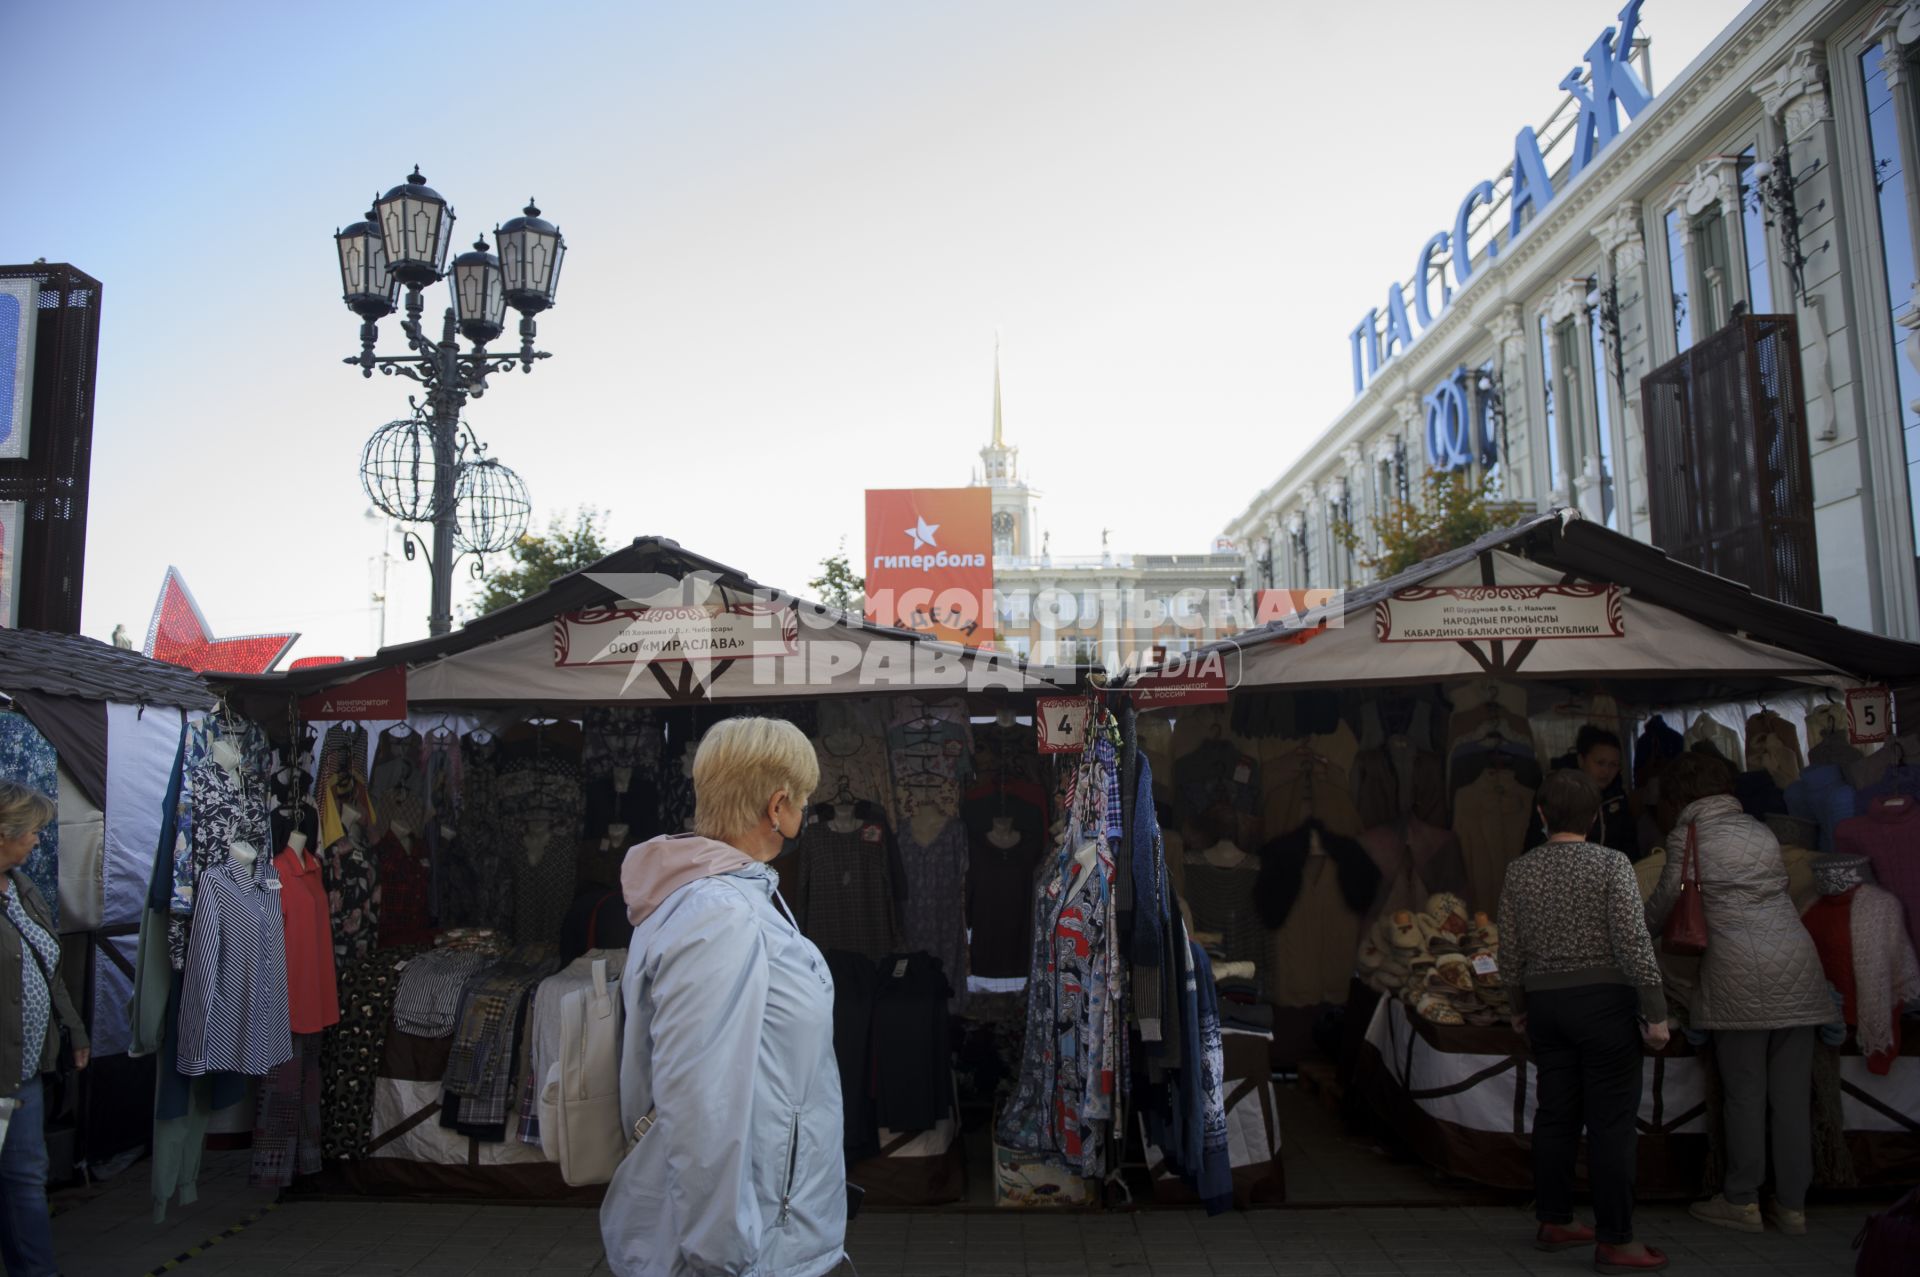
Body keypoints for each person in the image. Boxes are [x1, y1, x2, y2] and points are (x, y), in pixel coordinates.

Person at [600, 717, 847, 1277]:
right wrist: (723, 1255)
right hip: (745, 1250)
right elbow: (700, 1100)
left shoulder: (727, 898)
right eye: (803, 799)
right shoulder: (719, 914)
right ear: (778, 805)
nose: (804, 812)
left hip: (770, 1231)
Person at [1645, 751, 1831, 1236]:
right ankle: (1792, 1208)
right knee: (1790, 1098)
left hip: (1739, 977)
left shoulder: (1688, 839)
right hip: (1798, 966)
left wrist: (1628, 933)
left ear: (1680, 795)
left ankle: (1741, 1200)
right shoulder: (1762, 831)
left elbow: (1663, 908)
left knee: (1745, 1094)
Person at [1498, 769, 1670, 1273]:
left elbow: (1510, 950)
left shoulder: (1519, 870)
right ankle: (1617, 1238)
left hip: (1546, 1007)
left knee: (1555, 1114)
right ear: (1596, 817)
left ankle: (1555, 1219)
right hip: (1605, 1006)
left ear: (1542, 815)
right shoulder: (1612, 864)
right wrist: (1655, 1014)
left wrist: (1516, 1006)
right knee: (1611, 1125)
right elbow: (1635, 944)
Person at [0, 780, 89, 1277]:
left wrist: (74, 1029)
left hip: (27, 1069)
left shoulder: (21, 888)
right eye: (32, 832)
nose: (37, 841)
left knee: (26, 1179)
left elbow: (48, 966)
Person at [1526, 726, 1639, 859]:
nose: (1606, 771)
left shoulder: (1617, 796)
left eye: (1613, 764)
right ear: (1581, 760)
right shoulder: (1556, 794)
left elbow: (1629, 845)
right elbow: (1536, 842)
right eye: (1600, 763)